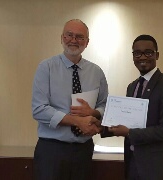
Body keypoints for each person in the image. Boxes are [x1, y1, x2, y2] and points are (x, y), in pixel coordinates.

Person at [32, 19, 108, 180]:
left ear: (87, 42)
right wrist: (77, 121)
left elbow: (104, 105)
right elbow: (39, 110)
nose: (74, 40)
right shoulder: (46, 68)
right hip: (51, 150)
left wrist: (93, 113)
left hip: (84, 149)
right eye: (69, 35)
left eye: (80, 37)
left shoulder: (97, 72)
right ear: (62, 38)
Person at [103, 34, 163, 180]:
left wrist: (129, 133)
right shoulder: (132, 87)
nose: (142, 57)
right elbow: (128, 121)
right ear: (133, 57)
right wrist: (101, 127)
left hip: (156, 168)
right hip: (132, 164)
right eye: (137, 53)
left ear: (157, 55)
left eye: (148, 52)